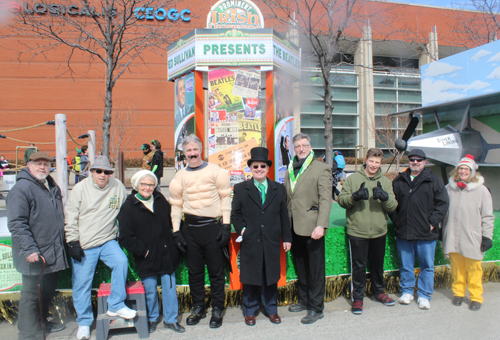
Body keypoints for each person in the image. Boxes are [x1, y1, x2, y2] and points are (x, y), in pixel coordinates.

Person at [65, 156, 135, 340]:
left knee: (121, 261)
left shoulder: (117, 186)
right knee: (82, 283)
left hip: (107, 240)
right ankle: (84, 322)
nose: (103, 175)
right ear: (92, 172)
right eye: (99, 171)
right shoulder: (80, 188)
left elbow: (126, 208)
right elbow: (71, 216)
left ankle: (116, 304)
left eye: (107, 172)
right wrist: (72, 241)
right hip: (85, 243)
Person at [169, 134, 231, 329]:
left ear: (201, 150)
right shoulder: (179, 176)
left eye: (195, 150)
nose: (192, 153)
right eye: (189, 150)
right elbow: (176, 205)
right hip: (190, 230)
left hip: (212, 228)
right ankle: (198, 307)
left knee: (216, 272)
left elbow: (225, 198)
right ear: (184, 153)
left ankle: (218, 307)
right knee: (195, 272)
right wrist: (177, 231)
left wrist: (226, 225)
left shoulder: (216, 171)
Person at [7, 151, 68, 339]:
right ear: (29, 166)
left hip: (51, 251)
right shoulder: (22, 188)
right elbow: (17, 223)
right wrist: (29, 249)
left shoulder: (49, 185)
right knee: (31, 295)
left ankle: (41, 323)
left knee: (46, 292)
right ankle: (27, 333)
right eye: (38, 163)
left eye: (46, 163)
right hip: (35, 253)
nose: (43, 167)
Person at [231, 147, 292, 326]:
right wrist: (243, 230)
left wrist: (287, 238)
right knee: (250, 276)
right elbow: (235, 215)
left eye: (262, 166)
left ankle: (271, 308)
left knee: (270, 275)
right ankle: (250, 309)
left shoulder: (278, 189)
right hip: (251, 239)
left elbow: (283, 215)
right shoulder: (242, 189)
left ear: (268, 168)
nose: (259, 169)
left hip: (271, 240)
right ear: (251, 168)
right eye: (255, 166)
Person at [118, 170, 184, 333]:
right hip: (147, 255)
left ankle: (171, 319)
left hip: (166, 251)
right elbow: (126, 236)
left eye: (151, 185)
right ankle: (152, 318)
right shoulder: (129, 206)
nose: (147, 188)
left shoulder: (160, 200)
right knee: (150, 290)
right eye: (144, 184)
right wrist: (144, 251)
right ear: (136, 185)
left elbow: (171, 220)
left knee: (169, 288)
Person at [338, 148, 398, 315]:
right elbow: (341, 200)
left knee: (378, 265)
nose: (373, 165)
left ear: (381, 163)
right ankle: (358, 297)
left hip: (379, 231)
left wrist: (385, 198)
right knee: (359, 266)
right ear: (366, 160)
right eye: (371, 161)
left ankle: (378, 292)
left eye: (377, 162)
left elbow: (393, 205)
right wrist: (354, 197)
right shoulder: (353, 179)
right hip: (358, 231)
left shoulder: (385, 182)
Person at [390, 149, 449, 310]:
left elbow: (442, 203)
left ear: (424, 162)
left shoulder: (433, 180)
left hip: (426, 232)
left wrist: (432, 222)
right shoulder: (399, 181)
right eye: (412, 159)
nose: (415, 162)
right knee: (406, 264)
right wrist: (397, 221)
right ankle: (407, 291)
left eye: (419, 160)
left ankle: (424, 295)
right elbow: (391, 204)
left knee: (427, 266)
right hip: (404, 231)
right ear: (409, 161)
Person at [284, 133, 332, 324]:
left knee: (315, 270)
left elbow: (325, 199)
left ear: (310, 147)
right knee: (301, 268)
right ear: (293, 149)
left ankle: (316, 307)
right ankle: (305, 300)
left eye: (304, 145)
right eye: (297, 146)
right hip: (295, 226)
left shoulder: (321, 168)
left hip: (313, 228)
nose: (301, 149)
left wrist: (321, 224)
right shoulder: (290, 168)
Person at [442, 155, 494, 311]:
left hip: (472, 237)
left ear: (472, 171)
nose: (463, 171)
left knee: (474, 270)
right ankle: (458, 293)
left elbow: (487, 216)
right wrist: (440, 231)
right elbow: (442, 211)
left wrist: (487, 236)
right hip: (452, 235)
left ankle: (476, 297)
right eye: (461, 168)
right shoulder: (448, 188)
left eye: (466, 169)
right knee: (457, 268)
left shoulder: (482, 190)